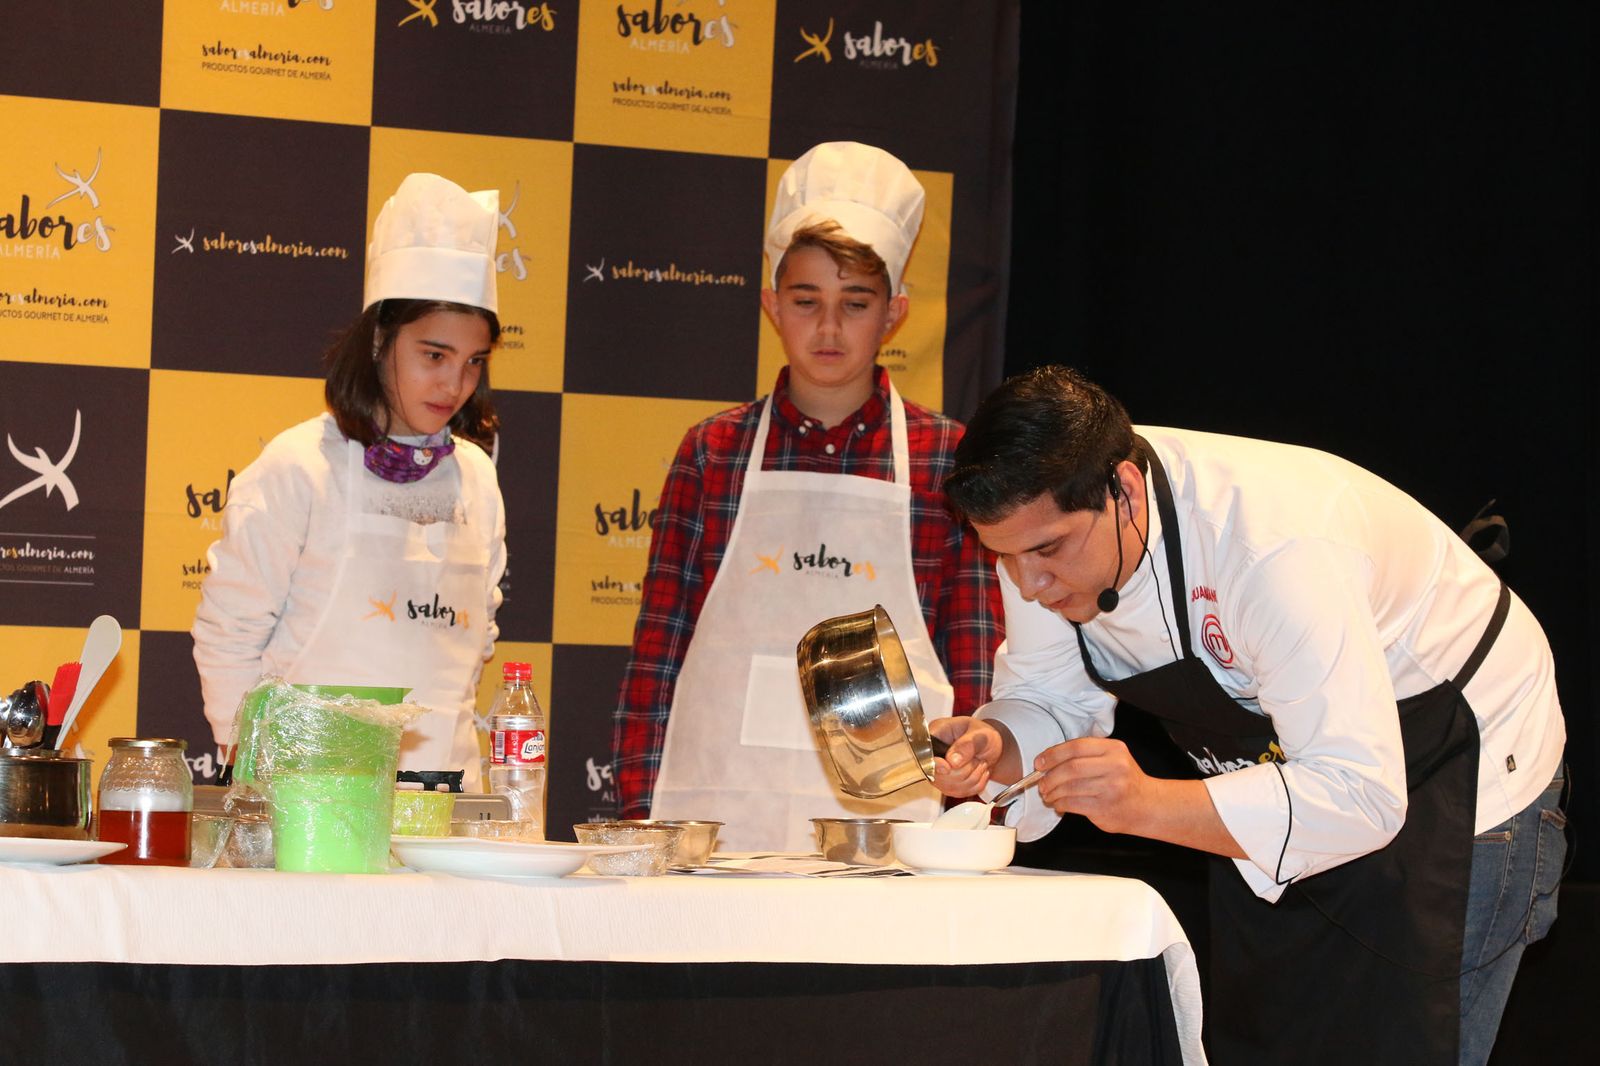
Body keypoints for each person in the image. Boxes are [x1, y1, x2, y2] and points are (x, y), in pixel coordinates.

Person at [932, 365, 1566, 1066]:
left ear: (1124, 491)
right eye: (1005, 558)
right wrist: (1001, 743)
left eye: (1047, 551)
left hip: (1456, 758)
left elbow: (1360, 793)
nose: (1029, 584)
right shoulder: (1042, 524)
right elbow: (1050, 696)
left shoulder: (1273, 550)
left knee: (1405, 1040)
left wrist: (1144, 802)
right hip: (1288, 767)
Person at [612, 142, 1004, 851]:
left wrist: (970, 806)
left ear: (894, 315)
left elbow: (972, 650)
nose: (829, 328)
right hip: (718, 810)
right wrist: (642, 815)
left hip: (892, 826)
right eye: (806, 301)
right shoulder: (713, 453)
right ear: (771, 306)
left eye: (855, 303)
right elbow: (658, 650)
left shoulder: (946, 459)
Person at [193, 173, 507, 790]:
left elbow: (476, 645)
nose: (454, 385)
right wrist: (255, 782)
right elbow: (228, 634)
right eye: (434, 355)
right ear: (381, 339)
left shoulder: (477, 477)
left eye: (474, 362)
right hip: (307, 808)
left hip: (445, 811)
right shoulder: (301, 465)